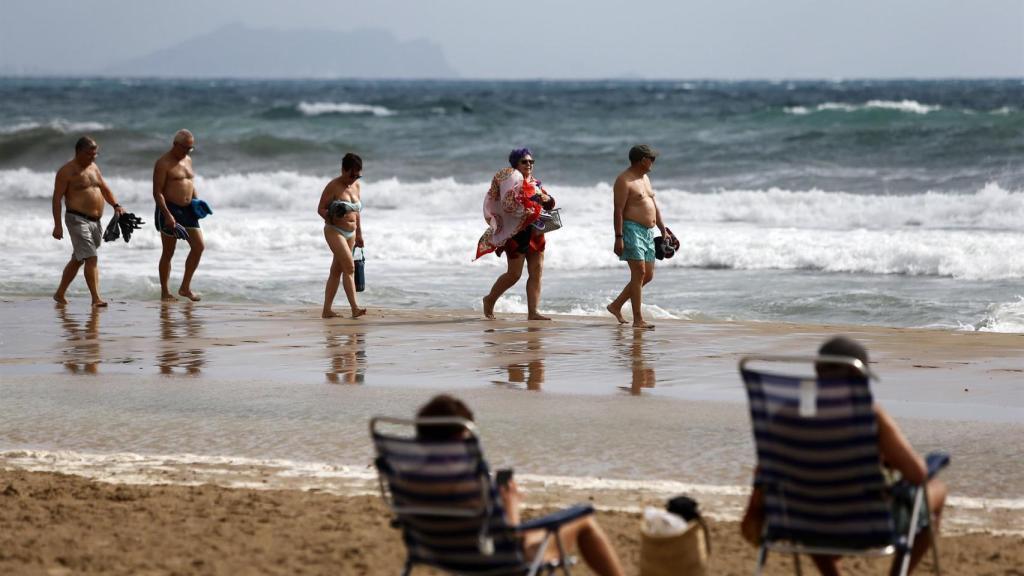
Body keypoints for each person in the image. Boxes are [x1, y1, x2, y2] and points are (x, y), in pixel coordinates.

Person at [740, 336, 948, 576]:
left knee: (810, 496)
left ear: (817, 371)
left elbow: (765, 472)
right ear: (860, 376)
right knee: (936, 488)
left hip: (801, 522)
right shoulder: (869, 416)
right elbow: (917, 474)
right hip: (867, 525)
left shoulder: (784, 415)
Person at [415, 394, 625, 576]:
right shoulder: (465, 481)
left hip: (442, 554)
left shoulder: (410, 478)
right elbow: (510, 535)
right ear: (459, 436)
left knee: (533, 533)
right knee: (584, 518)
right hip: (498, 561)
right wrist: (511, 502)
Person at [478, 148, 556, 321]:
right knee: (514, 274)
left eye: (531, 162)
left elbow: (550, 203)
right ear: (515, 164)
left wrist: (546, 199)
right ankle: (489, 299)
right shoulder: (508, 182)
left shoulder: (536, 183)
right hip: (515, 233)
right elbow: (504, 206)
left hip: (535, 231)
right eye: (524, 161)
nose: (529, 164)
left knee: (537, 271)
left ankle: (533, 312)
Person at [52, 136, 127, 307]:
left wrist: (116, 205)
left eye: (95, 154)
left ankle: (59, 293)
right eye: (89, 154)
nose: (93, 157)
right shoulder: (66, 172)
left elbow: (104, 188)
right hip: (76, 219)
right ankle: (96, 298)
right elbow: (57, 199)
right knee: (91, 257)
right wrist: (57, 225)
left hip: (95, 221)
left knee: (79, 259)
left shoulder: (94, 167)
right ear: (78, 152)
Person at [607, 144, 667, 330]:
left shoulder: (645, 178)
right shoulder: (624, 181)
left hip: (648, 232)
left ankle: (616, 305)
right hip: (631, 229)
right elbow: (618, 211)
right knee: (639, 272)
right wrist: (619, 237)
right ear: (642, 160)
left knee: (647, 275)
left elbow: (653, 205)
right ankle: (638, 319)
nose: (653, 162)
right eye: (652, 159)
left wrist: (663, 230)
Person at [153, 129, 204, 302]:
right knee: (168, 252)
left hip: (188, 210)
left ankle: (185, 288)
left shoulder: (188, 159)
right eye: (185, 148)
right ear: (175, 144)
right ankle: (165, 292)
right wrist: (167, 215)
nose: (188, 151)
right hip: (170, 209)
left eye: (191, 148)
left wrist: (197, 202)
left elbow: (189, 182)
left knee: (198, 247)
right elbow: (157, 192)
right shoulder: (163, 163)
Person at [317, 152, 366, 319]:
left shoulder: (357, 187)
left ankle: (326, 311)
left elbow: (357, 212)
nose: (353, 179)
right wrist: (332, 215)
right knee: (349, 267)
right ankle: (354, 308)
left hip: (351, 233)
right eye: (351, 175)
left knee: (336, 271)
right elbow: (320, 209)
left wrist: (359, 234)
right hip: (334, 231)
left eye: (357, 176)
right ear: (343, 170)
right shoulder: (333, 186)